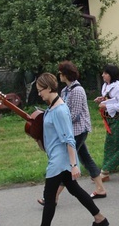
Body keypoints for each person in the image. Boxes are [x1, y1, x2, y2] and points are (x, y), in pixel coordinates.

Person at [22, 73, 109, 226]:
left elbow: (69, 138)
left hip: (60, 161)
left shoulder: (60, 110)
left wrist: (74, 164)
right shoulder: (51, 108)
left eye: (40, 90)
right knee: (74, 189)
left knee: (50, 195)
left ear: (48, 88)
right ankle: (100, 218)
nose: (39, 93)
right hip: (56, 156)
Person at [37, 61, 108, 205]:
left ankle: (52, 197)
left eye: (60, 73)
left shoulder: (77, 90)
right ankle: (100, 188)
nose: (59, 75)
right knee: (85, 158)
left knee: (67, 161)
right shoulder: (65, 90)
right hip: (71, 130)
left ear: (66, 74)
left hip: (78, 130)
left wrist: (59, 119)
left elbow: (73, 114)